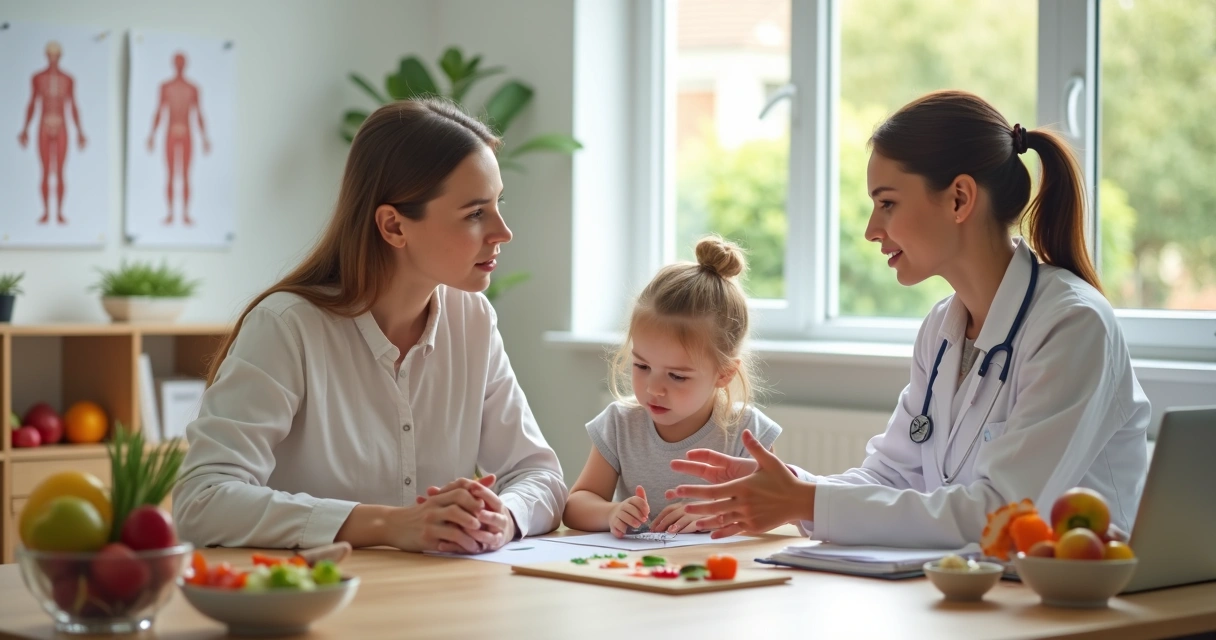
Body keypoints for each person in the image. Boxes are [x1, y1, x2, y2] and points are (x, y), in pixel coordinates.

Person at [668, 90, 1150, 549]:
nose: (871, 230)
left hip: (1080, 593)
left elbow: (1003, 513)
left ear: (959, 199)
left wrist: (805, 501)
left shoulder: (1073, 325)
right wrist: (791, 488)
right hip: (976, 585)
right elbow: (891, 477)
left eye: (887, 203)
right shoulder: (942, 330)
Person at [173, 99, 567, 554]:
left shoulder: (473, 319)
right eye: (475, 213)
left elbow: (540, 475)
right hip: (315, 592)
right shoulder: (286, 327)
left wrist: (504, 516)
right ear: (394, 226)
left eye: (498, 204)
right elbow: (201, 500)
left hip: (438, 593)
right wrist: (388, 524)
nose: (503, 232)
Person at [562, 237, 781, 538]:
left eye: (677, 376)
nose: (654, 389)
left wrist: (715, 514)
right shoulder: (620, 424)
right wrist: (610, 512)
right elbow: (575, 505)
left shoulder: (747, 431)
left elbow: (774, 507)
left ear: (724, 373)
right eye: (642, 366)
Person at [18, 41, 87, 225]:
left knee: (60, 171)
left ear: (60, 56)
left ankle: (60, 212)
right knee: (45, 171)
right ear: (46, 56)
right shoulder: (37, 78)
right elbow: (32, 103)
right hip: (44, 126)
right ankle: (46, 212)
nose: (53, 58)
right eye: (50, 55)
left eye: (56, 55)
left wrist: (80, 132)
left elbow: (73, 105)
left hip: (62, 126)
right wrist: (25, 129)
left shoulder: (68, 79)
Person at [147, 52, 210, 226]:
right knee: (170, 174)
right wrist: (152, 134)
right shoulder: (165, 87)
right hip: (170, 134)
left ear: (185, 64)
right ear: (173, 64)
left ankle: (185, 214)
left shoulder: (193, 88)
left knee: (186, 175)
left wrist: (205, 137)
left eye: (182, 62)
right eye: (177, 62)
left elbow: (199, 113)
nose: (180, 65)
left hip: (187, 134)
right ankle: (170, 213)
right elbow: (159, 111)